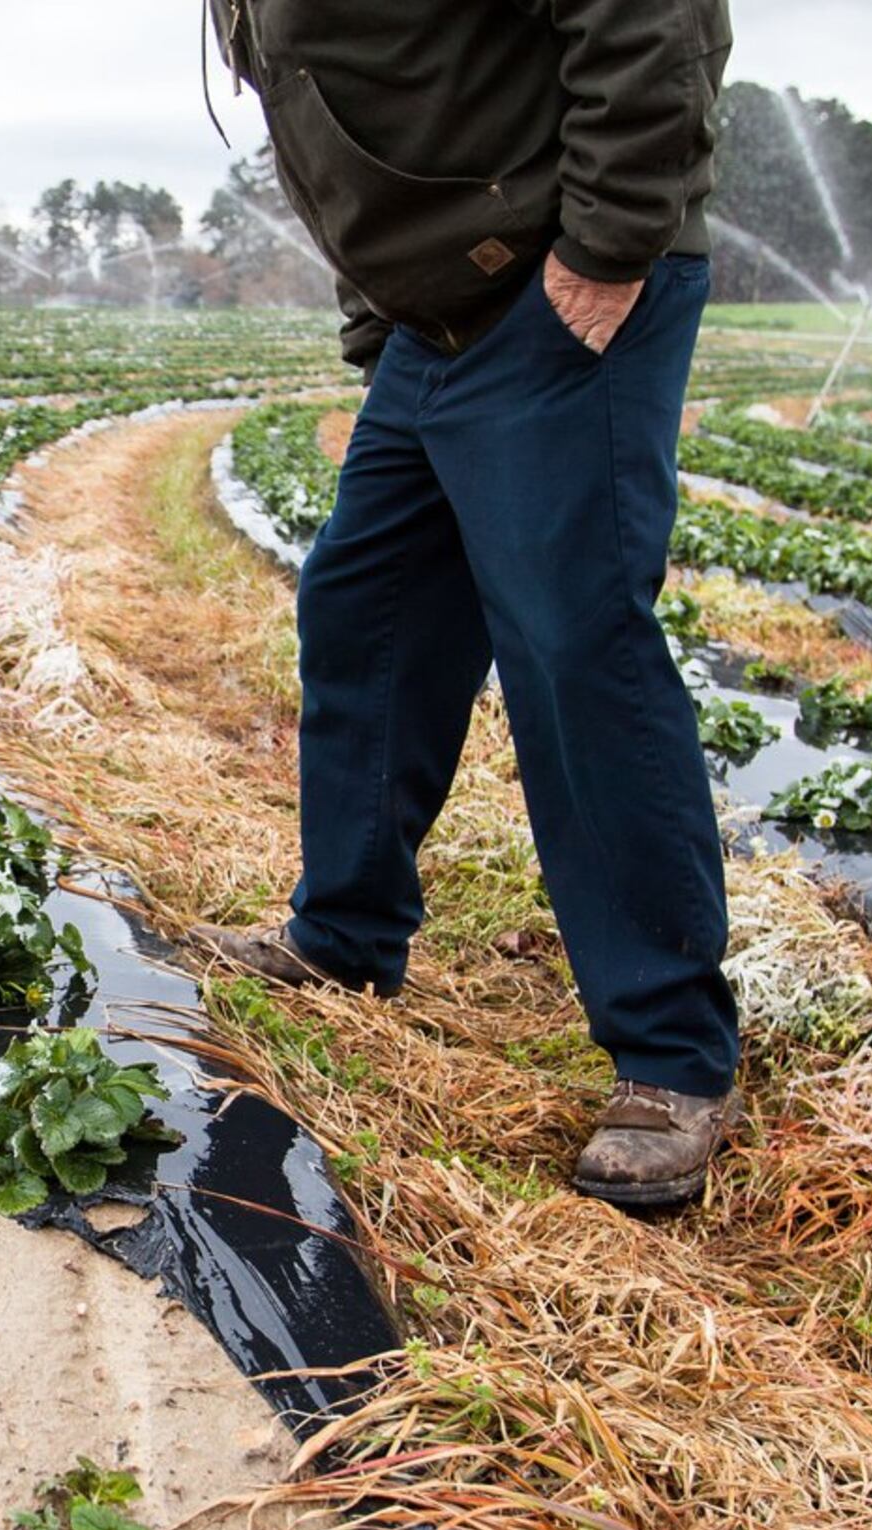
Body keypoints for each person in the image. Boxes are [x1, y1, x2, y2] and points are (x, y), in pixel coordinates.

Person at [192, 0, 739, 1212]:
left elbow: (649, 17)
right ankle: (344, 937)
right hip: (432, 322)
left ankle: (671, 1057)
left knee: (572, 642)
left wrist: (606, 245)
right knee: (366, 609)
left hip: (559, 283)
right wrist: (378, 321)